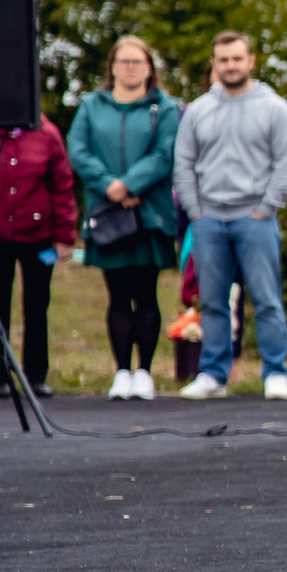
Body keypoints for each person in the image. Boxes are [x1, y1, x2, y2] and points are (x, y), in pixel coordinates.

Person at [173, 32, 287, 401]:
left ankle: (275, 372)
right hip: (209, 220)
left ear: (251, 61)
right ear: (214, 64)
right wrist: (196, 211)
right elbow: (183, 164)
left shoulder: (274, 108)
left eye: (236, 58)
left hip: (255, 218)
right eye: (223, 60)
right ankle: (213, 374)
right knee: (212, 301)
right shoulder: (198, 110)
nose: (230, 66)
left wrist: (267, 207)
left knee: (266, 299)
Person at [66, 36, 185, 400]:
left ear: (149, 68)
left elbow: (165, 154)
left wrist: (132, 183)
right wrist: (110, 186)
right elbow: (79, 149)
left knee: (146, 293)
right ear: (112, 66)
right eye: (124, 61)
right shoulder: (91, 105)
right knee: (116, 294)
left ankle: (145, 372)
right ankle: (120, 371)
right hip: (108, 214)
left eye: (138, 61)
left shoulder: (163, 108)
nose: (130, 67)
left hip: (149, 214)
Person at [0, 107, 75, 397]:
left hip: (37, 237)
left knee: (37, 305)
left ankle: (36, 376)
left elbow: (62, 186)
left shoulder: (47, 135)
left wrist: (64, 235)